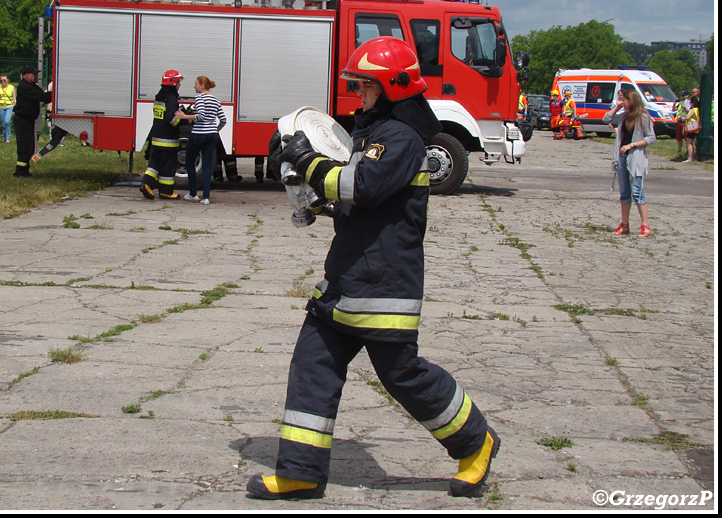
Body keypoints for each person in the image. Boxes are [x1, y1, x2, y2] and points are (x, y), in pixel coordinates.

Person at [246, 37, 499, 501]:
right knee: (312, 367)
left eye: (363, 85)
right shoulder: (375, 133)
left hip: (383, 283)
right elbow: (351, 204)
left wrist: (309, 160)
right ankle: (300, 470)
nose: (357, 93)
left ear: (389, 87)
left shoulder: (400, 138)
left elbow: (361, 186)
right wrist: (299, 179)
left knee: (404, 376)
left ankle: (475, 441)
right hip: (347, 279)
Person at [603, 89, 656, 237]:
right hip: (622, 157)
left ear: (632, 100)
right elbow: (606, 119)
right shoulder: (623, 116)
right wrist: (617, 107)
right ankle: (624, 224)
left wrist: (632, 145)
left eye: (624, 100)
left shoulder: (643, 117)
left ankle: (645, 225)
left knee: (637, 191)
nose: (622, 102)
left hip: (635, 158)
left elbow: (651, 138)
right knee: (624, 193)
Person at [176, 76, 227, 205]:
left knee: (189, 161)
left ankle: (193, 194)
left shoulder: (200, 98)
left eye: (196, 84)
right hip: (212, 135)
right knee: (206, 166)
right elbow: (223, 120)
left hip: (198, 134)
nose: (194, 87)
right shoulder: (215, 99)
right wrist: (215, 130)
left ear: (202, 86)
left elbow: (200, 116)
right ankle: (206, 197)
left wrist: (184, 116)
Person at [140, 70, 185, 200]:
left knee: (154, 163)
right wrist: (183, 118)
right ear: (173, 83)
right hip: (167, 139)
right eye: (178, 82)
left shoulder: (159, 97)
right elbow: (171, 119)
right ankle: (166, 192)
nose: (179, 85)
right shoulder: (172, 99)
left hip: (157, 137)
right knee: (168, 166)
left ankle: (146, 183)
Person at [12, 67, 52, 177]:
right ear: (26, 75)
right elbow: (40, 96)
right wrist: (54, 95)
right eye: (33, 74)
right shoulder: (24, 87)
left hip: (28, 121)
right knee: (24, 145)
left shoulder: (31, 86)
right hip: (22, 120)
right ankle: (20, 171)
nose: (35, 76)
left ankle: (25, 170)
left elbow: (42, 95)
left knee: (29, 146)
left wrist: (51, 95)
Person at [0, 73, 16, 143]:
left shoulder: (11, 87)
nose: (3, 81)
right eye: (1, 80)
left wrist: (14, 103)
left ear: (7, 80)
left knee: (7, 121)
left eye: (4, 80)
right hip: (1, 106)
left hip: (9, 106)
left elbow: (14, 97)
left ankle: (8, 138)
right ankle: (5, 138)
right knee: (3, 123)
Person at [684, 95, 701, 163]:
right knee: (695, 142)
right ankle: (696, 156)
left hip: (692, 128)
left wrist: (682, 118)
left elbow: (688, 118)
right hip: (697, 127)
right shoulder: (698, 109)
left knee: (689, 143)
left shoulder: (693, 110)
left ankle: (690, 158)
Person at [673, 90, 690, 155]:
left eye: (684, 95)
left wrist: (684, 107)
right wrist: (674, 104)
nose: (682, 97)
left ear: (687, 95)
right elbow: (675, 110)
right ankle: (679, 149)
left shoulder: (689, 102)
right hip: (679, 121)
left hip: (685, 121)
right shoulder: (681, 102)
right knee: (679, 136)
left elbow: (689, 111)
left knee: (686, 136)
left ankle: (687, 150)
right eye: (682, 95)